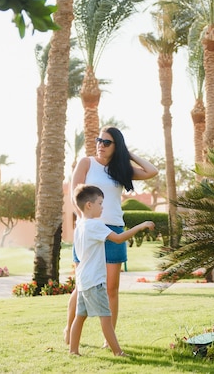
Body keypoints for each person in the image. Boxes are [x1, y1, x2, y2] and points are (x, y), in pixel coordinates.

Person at [65, 126, 158, 345]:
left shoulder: (121, 168)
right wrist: (87, 223)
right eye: (99, 140)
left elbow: (151, 171)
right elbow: (74, 196)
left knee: (111, 288)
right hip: (89, 231)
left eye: (107, 142)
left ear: (116, 146)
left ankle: (109, 339)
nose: (101, 145)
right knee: (82, 285)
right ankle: (69, 331)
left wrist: (128, 153)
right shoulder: (86, 163)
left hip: (115, 228)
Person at [69, 184, 155, 357]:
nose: (102, 207)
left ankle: (73, 351)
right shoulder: (95, 225)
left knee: (80, 316)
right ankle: (118, 352)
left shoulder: (80, 227)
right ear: (89, 205)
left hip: (83, 280)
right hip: (95, 280)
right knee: (106, 317)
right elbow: (118, 238)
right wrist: (141, 226)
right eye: (100, 203)